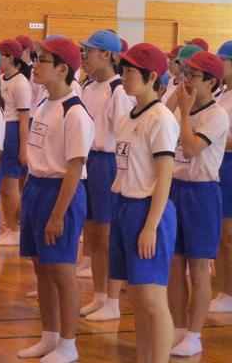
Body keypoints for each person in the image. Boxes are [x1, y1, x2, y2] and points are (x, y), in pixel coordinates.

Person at [19, 37, 93, 363]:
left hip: (61, 192)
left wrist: (58, 214)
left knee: (62, 271)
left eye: (43, 60)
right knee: (41, 269)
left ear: (63, 68)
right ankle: (48, 335)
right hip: (37, 187)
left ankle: (68, 342)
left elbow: (75, 168)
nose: (35, 65)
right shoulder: (44, 103)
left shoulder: (74, 112)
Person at [110, 43, 178, 363]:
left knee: (153, 300)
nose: (124, 77)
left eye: (131, 72)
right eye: (123, 71)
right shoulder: (127, 116)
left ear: (152, 77)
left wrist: (151, 226)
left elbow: (164, 178)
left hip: (149, 210)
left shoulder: (161, 119)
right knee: (137, 298)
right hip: (125, 206)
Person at [168, 51, 229, 357]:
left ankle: (194, 333)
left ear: (212, 82)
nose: (187, 80)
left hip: (202, 193)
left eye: (193, 76)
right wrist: (175, 105)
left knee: (199, 266)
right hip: (175, 188)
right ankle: (178, 328)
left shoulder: (217, 115)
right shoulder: (181, 102)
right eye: (185, 74)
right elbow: (159, 128)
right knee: (174, 264)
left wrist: (183, 112)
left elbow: (191, 149)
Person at [78, 30, 133, 322]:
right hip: (88, 160)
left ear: (108, 55)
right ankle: (99, 296)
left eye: (90, 52)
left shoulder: (118, 91)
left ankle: (113, 300)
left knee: (107, 234)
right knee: (91, 234)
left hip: (108, 162)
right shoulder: (88, 87)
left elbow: (125, 137)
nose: (84, 57)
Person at [0, 38, 33, 248]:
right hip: (3, 130)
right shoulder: (3, 79)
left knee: (10, 187)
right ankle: (10, 226)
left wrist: (23, 147)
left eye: (1, 54)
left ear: (10, 57)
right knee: (4, 186)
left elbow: (24, 118)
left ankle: (16, 228)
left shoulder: (20, 83)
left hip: (13, 131)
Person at [210, 40, 232, 313]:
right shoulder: (221, 94)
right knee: (220, 234)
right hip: (217, 165)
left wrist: (212, 140)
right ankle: (223, 288)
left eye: (223, 62)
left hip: (229, 165)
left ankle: (229, 291)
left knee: (228, 234)